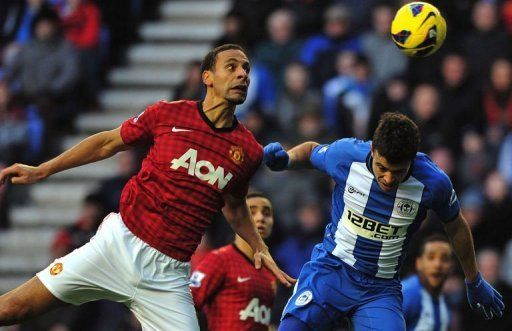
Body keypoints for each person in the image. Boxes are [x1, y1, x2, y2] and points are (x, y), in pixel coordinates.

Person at [0, 43, 293, 330]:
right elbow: (106, 143)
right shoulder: (168, 114)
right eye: (232, 67)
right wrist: (43, 169)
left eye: (246, 69)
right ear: (207, 77)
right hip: (116, 247)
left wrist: (258, 245)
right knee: (13, 309)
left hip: (168, 278)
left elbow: (235, 204)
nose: (243, 74)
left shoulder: (249, 151)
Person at [263, 112, 504, 330]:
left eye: (397, 171)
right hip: (331, 270)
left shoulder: (433, 183)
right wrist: (287, 159)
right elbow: (311, 152)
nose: (388, 178)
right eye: (382, 167)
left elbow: (456, 225)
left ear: (412, 160)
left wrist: (473, 279)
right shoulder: (346, 155)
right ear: (373, 149)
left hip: (379, 290)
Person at [190, 192, 277, 330]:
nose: (261, 218)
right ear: (237, 220)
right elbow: (187, 303)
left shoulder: (270, 274)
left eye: (266, 213)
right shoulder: (220, 260)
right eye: (252, 212)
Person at [402, 234, 453, 331]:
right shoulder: (406, 294)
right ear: (418, 263)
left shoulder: (446, 300)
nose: (438, 265)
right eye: (431, 257)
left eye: (444, 259)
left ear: (451, 266)